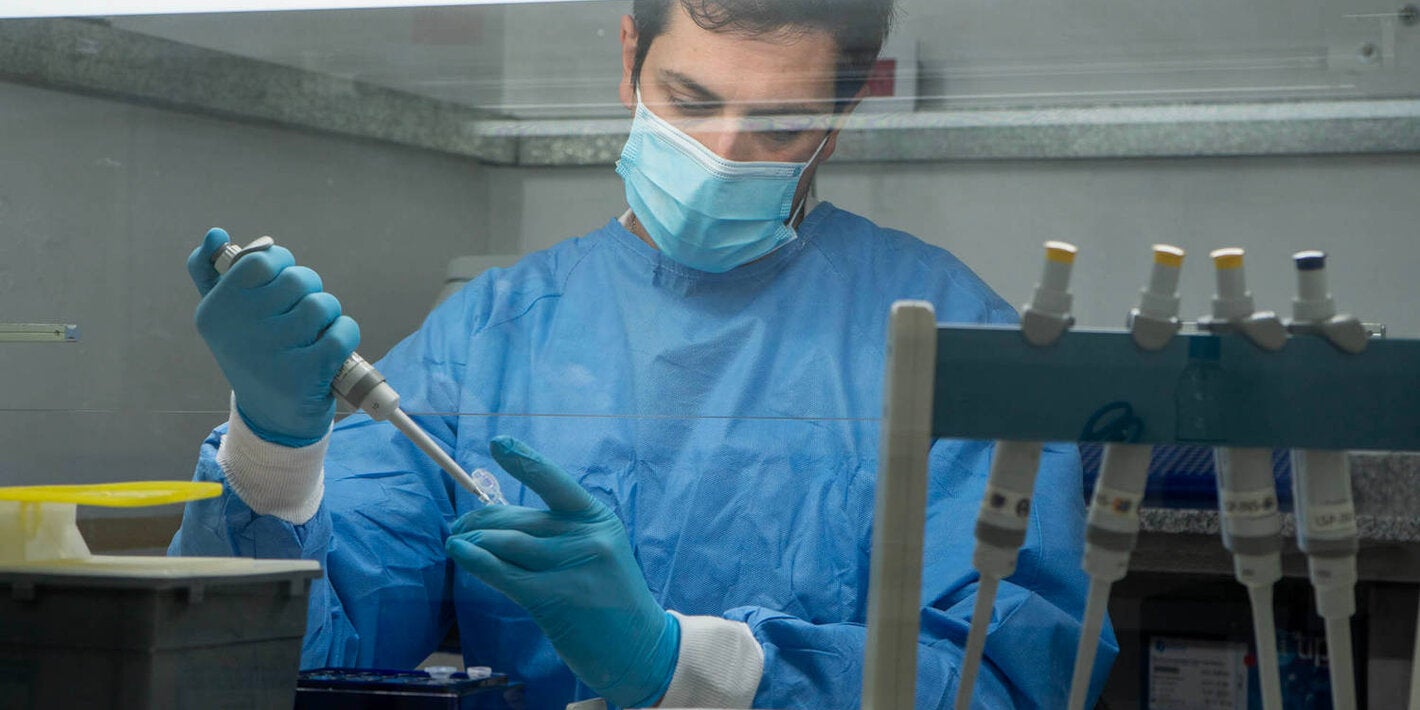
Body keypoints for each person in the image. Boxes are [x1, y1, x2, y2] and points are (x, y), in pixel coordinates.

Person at [171, 0, 1117, 707]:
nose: (721, 152)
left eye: (779, 125)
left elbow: (1008, 675)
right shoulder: (494, 335)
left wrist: (682, 664)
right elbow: (306, 659)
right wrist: (274, 449)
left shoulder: (947, 337)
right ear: (630, 58)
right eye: (688, 100)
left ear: (845, 112)